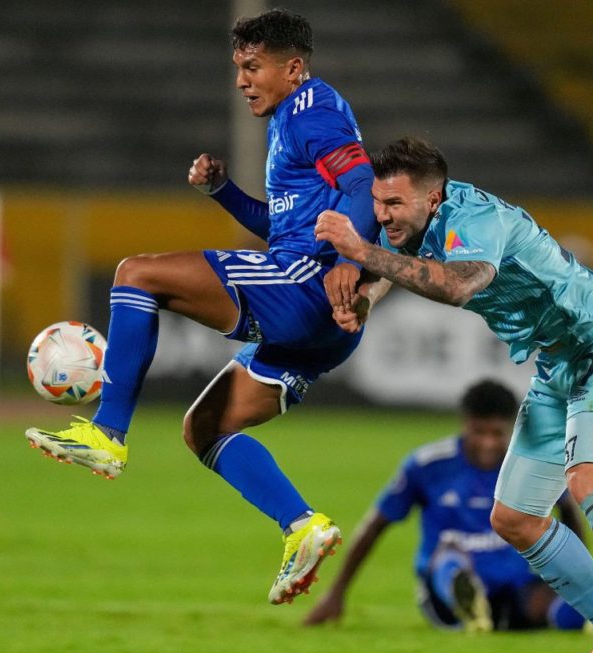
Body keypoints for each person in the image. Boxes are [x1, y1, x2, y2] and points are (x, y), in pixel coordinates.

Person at [26, 9, 379, 607]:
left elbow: (363, 185)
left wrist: (350, 262)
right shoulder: (298, 119)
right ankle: (303, 527)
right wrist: (224, 193)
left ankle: (108, 434)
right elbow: (283, 226)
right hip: (324, 321)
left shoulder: (310, 112)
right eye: (237, 68)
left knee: (135, 274)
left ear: (292, 68)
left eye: (253, 67)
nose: (242, 80)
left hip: (307, 285)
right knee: (206, 428)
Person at [314, 137, 593, 653]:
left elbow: (462, 284)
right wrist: (363, 301)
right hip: (558, 365)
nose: (381, 214)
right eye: (378, 202)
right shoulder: (419, 224)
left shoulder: (475, 217)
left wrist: (361, 253)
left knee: (589, 479)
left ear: (433, 198)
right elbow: (405, 265)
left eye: (394, 205)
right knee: (514, 518)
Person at [303, 379, 587, 633]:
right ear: (465, 423)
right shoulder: (428, 465)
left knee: (556, 606)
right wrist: (337, 592)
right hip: (443, 589)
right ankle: (465, 600)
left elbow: (568, 512)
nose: (488, 443)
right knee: (449, 559)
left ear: (513, 427)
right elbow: (375, 525)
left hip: (515, 588)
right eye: (479, 432)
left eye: (497, 433)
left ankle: (585, 606)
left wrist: (580, 573)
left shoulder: (531, 465)